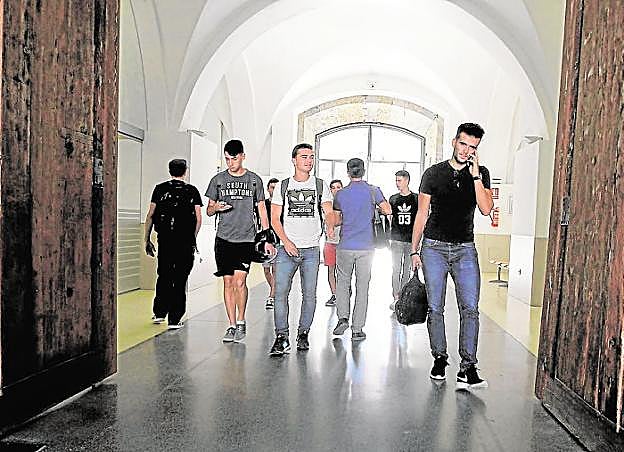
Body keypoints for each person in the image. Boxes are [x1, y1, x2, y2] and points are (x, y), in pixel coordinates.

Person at [410, 123, 493, 389]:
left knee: (470, 308)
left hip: (465, 249)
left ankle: (468, 367)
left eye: (472, 147)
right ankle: (440, 358)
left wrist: (476, 176)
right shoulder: (433, 173)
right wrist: (414, 249)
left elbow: (486, 209)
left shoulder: (481, 173)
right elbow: (422, 213)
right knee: (435, 307)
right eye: (463, 144)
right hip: (433, 247)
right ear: (454, 142)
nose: (466, 150)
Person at [205, 139, 274, 343]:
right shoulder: (218, 180)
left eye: (233, 159)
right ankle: (231, 325)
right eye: (227, 159)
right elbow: (208, 210)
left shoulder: (254, 180)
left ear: (243, 157)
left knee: (240, 281)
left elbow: (262, 209)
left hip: (246, 239)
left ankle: (242, 320)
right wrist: (216, 208)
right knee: (227, 282)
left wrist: (267, 236)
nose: (230, 163)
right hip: (223, 239)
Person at [268, 143, 333, 355]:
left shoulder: (320, 185)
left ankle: (303, 333)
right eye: (304, 157)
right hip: (287, 249)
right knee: (280, 294)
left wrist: (330, 223)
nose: (309, 161)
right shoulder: (283, 186)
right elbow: (274, 219)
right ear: (294, 160)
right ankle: (281, 336)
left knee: (310, 295)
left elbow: (328, 211)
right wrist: (286, 242)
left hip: (311, 250)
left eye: (311, 157)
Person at [332, 158, 391, 341]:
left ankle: (343, 318)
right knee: (362, 287)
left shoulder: (340, 194)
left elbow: (336, 221)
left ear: (348, 172)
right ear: (364, 171)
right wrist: (374, 210)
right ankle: (357, 329)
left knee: (343, 284)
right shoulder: (373, 191)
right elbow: (388, 210)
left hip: (345, 246)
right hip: (366, 247)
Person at [144, 158, 203, 329]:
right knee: (180, 277)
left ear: (170, 171)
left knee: (164, 274)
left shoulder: (160, 189)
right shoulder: (192, 191)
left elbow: (150, 215)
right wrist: (193, 238)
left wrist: (146, 239)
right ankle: (174, 319)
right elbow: (198, 218)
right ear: (185, 171)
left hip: (165, 240)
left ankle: (159, 312)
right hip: (184, 241)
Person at [388, 170, 418, 310]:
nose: (397, 183)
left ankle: (403, 297)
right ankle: (396, 297)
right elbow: (390, 217)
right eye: (396, 180)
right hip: (396, 239)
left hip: (411, 240)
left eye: (399, 180)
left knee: (407, 270)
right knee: (396, 269)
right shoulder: (393, 199)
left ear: (407, 181)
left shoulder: (416, 199)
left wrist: (418, 241)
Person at [324, 179, 343, 307]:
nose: (336, 190)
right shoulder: (327, 205)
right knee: (331, 270)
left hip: (343, 242)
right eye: (333, 187)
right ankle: (335, 294)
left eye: (338, 187)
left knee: (343, 271)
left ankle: (343, 293)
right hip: (330, 242)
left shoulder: (346, 203)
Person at [262, 178, 280, 309]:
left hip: (278, 241)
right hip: (265, 242)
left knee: (275, 269)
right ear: (268, 189)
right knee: (266, 270)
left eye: (276, 187)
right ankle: (274, 291)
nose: (273, 190)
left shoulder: (282, 204)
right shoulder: (263, 204)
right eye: (272, 187)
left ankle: (272, 296)